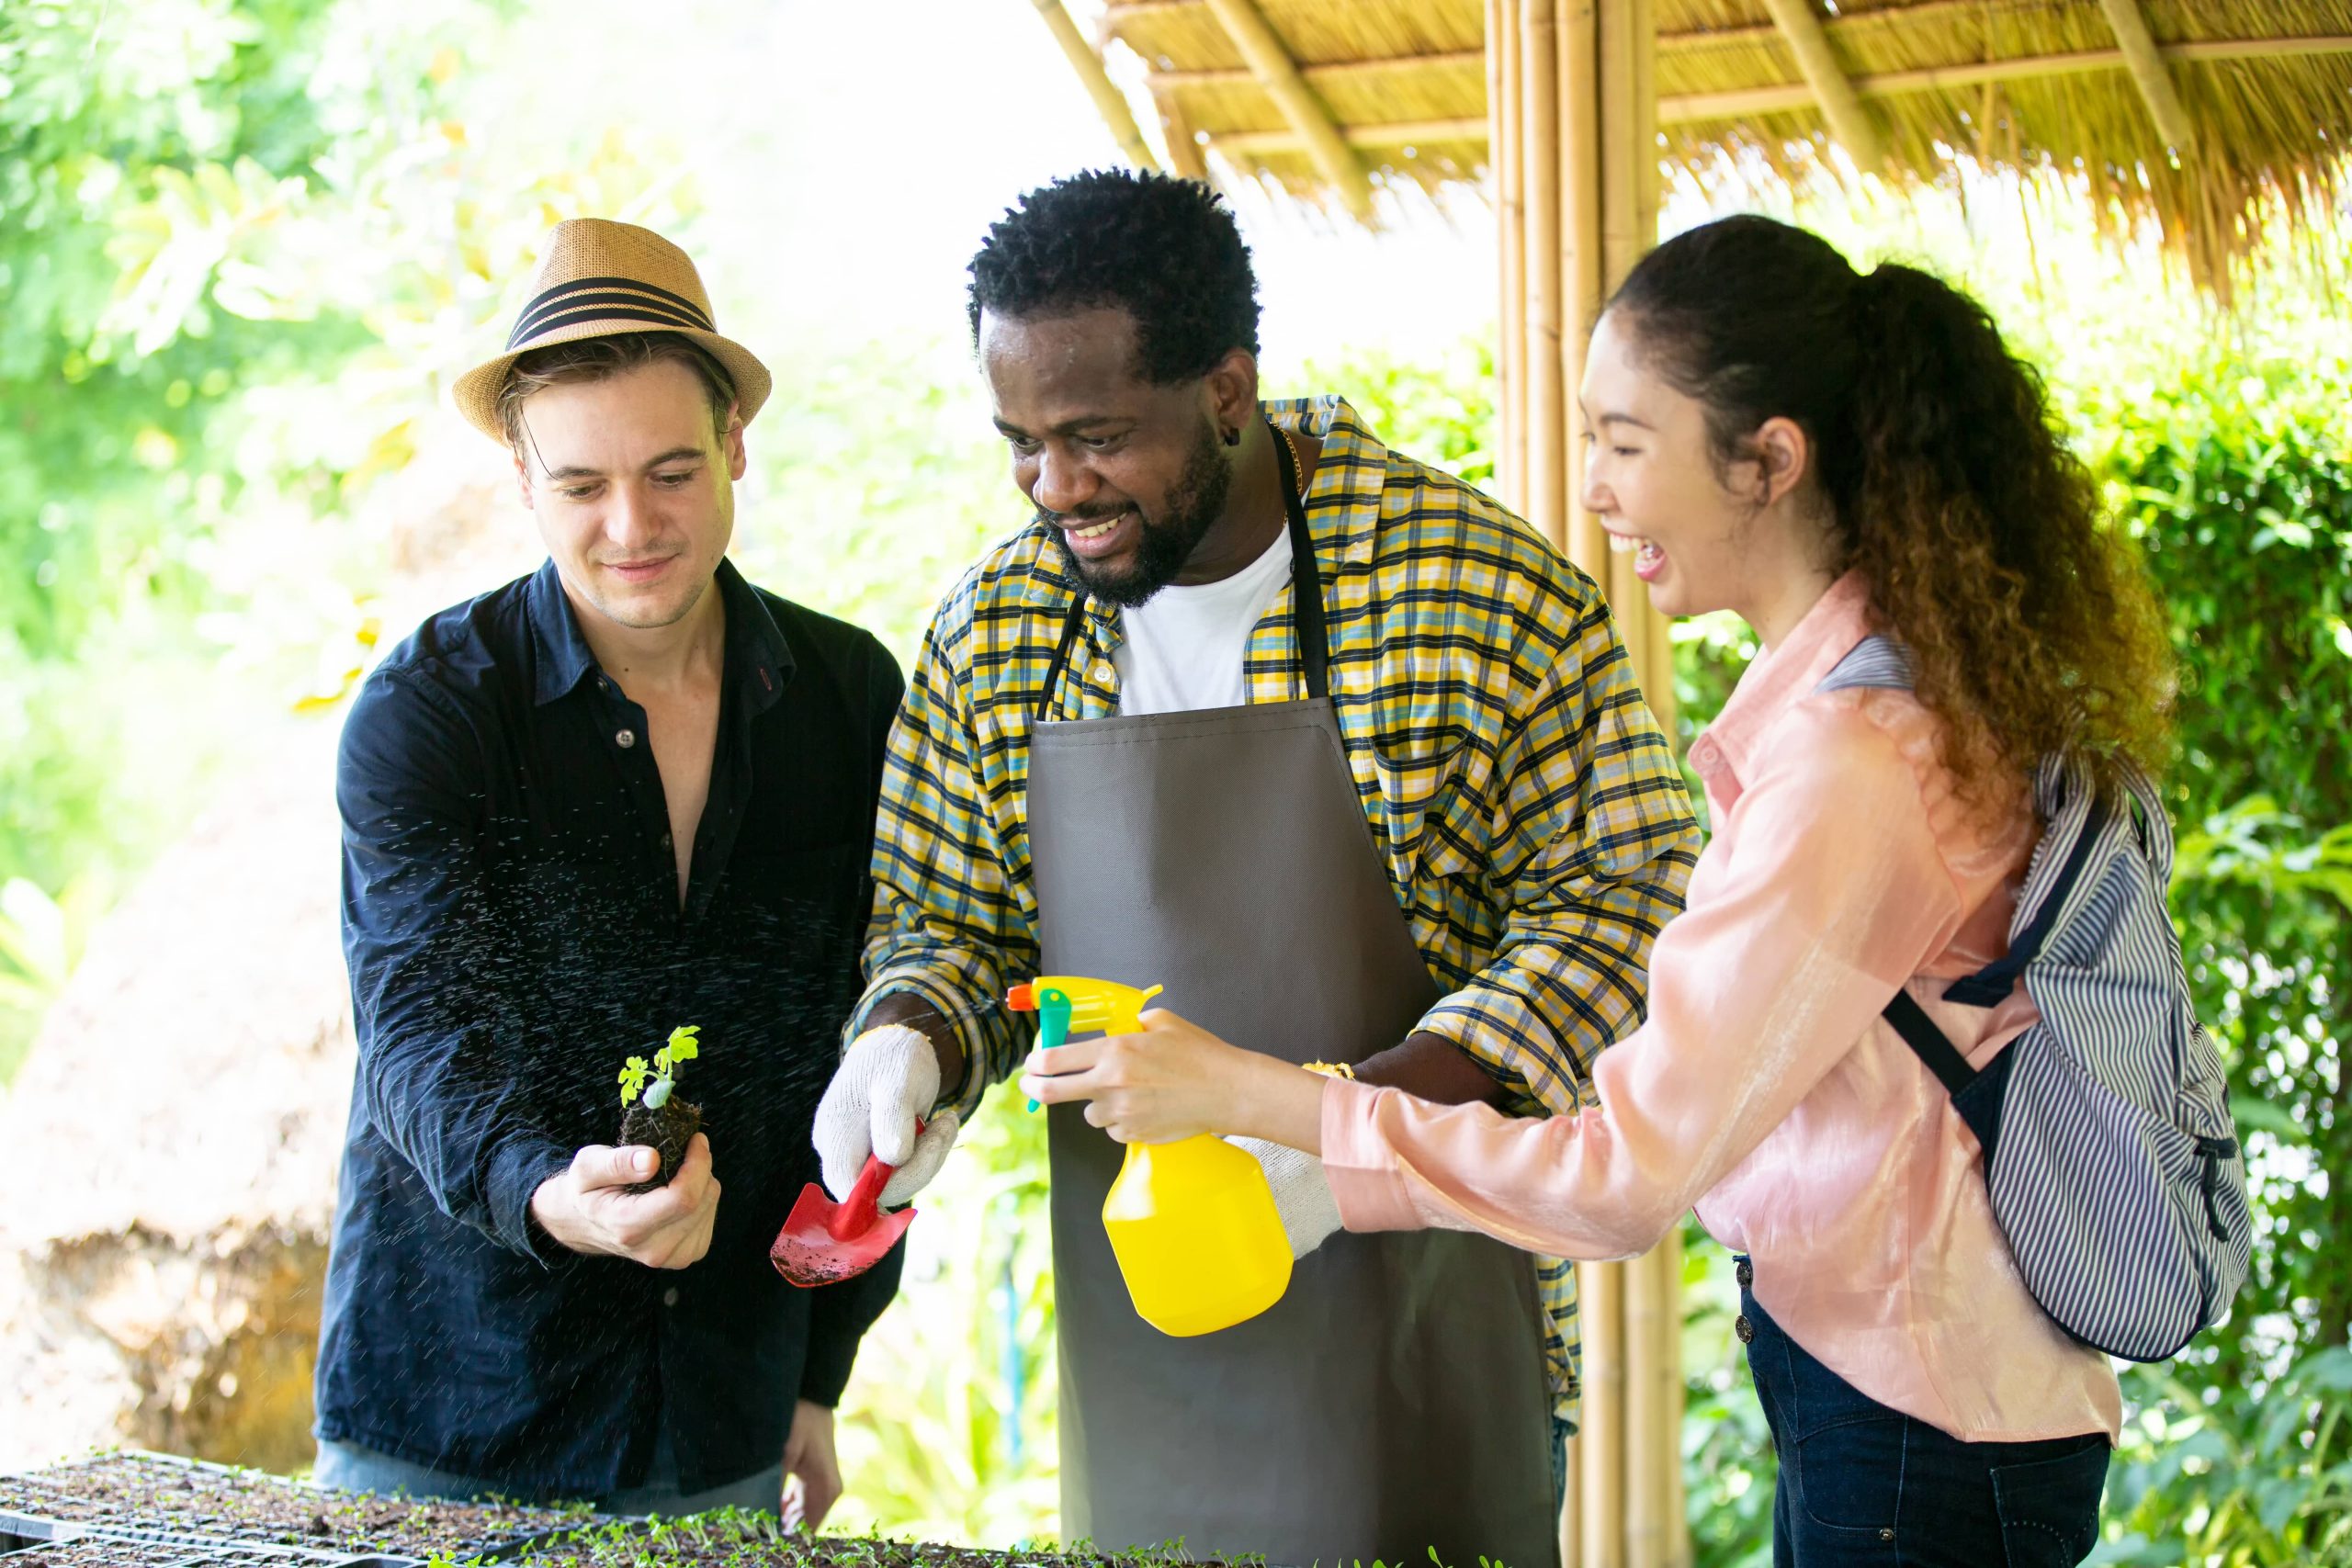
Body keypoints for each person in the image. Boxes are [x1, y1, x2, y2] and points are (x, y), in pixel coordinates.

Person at [1023, 214, 2180, 1566]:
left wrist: (1269, 1110)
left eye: (1627, 443)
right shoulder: (1869, 701)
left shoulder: (1851, 768)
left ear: (1769, 461)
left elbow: (1624, 1177)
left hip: (1926, 1426)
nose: (1593, 492)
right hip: (1900, 1387)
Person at [813, 170, 1700, 1565]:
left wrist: (1339, 1133)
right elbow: (953, 918)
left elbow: (1630, 898)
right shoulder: (997, 625)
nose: (1057, 490)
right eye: (1021, 444)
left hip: (1428, 1304)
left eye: (1096, 439)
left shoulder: (1472, 586)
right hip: (1146, 1318)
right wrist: (912, 1037)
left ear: (1226, 392)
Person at [315, 219, 904, 1526]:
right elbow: (411, 1028)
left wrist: (822, 1367)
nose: (631, 525)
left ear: (737, 449)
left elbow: (866, 1037)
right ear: (522, 478)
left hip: (725, 1415)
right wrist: (544, 1191)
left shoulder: (848, 697)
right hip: (451, 1419)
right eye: (581, 485)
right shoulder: (430, 714)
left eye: (673, 471)